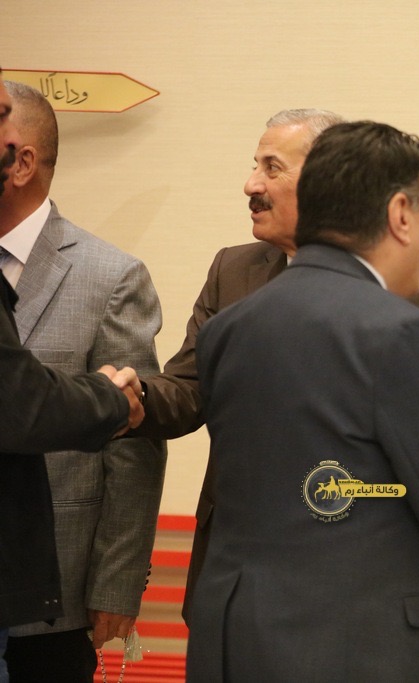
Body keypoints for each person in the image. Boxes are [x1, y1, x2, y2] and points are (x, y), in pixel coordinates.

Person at [186, 121, 419, 681]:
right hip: (364, 651)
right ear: (400, 214)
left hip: (235, 642)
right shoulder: (404, 335)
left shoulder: (228, 330)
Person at [130, 109, 419, 623]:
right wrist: (131, 399)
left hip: (364, 591)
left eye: (272, 168)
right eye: (255, 166)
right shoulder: (233, 272)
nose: (251, 184)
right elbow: (188, 389)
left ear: (325, 180)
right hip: (237, 576)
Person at [0, 81, 165, 682]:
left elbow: (134, 442)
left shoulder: (110, 276)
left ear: (22, 162)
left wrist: (116, 584)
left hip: (54, 596)